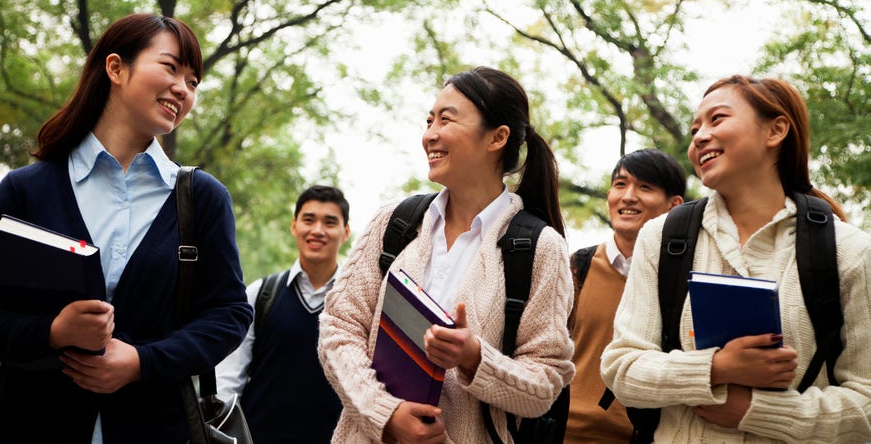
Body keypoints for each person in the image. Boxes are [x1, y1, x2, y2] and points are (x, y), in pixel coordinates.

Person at [0, 13, 253, 443]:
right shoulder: (27, 189)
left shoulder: (202, 199)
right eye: (171, 67)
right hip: (29, 424)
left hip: (157, 428)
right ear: (116, 68)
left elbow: (229, 314)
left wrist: (143, 361)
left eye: (194, 81)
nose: (183, 88)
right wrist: (51, 332)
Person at [600, 75, 871, 442]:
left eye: (717, 119)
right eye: (696, 128)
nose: (699, 137)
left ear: (776, 131)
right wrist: (715, 368)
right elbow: (621, 369)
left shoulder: (849, 251)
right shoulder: (663, 237)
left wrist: (756, 411)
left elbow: (866, 404)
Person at [318, 66, 575, 443]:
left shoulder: (540, 248)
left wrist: (474, 357)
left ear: (497, 137)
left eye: (446, 119)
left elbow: (545, 385)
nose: (430, 135)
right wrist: (386, 415)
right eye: (428, 120)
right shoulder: (394, 223)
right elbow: (338, 329)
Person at [565, 149, 685, 443]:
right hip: (562, 434)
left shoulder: (682, 282)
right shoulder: (576, 267)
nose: (628, 196)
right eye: (620, 185)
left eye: (645, 187)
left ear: (674, 205)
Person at [216, 185, 351, 443]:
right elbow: (228, 382)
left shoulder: (357, 301)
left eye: (330, 222)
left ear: (345, 232)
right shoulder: (261, 294)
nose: (317, 230)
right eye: (309, 220)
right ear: (294, 226)